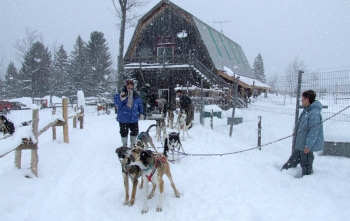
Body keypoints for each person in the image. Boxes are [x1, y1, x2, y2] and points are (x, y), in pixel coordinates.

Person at [281, 90, 324, 176]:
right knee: (290, 163)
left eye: (302, 98)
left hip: (305, 148)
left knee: (306, 168)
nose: (301, 100)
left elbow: (313, 131)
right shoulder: (307, 110)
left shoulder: (314, 113)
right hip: (300, 146)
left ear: (307, 100)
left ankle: (306, 185)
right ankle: (281, 176)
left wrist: (308, 146)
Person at [114, 79, 144, 147]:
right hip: (123, 117)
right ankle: (124, 145)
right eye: (128, 85)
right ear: (125, 85)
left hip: (133, 117)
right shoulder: (120, 93)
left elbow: (140, 105)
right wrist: (122, 99)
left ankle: (132, 145)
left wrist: (141, 113)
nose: (130, 87)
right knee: (124, 132)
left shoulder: (136, 95)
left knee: (135, 132)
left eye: (131, 85)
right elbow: (117, 103)